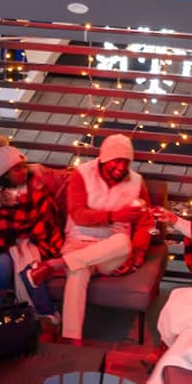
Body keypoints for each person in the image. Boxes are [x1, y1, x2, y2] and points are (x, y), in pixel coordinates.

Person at [27, 133, 154, 344]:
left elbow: (146, 223)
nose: (120, 168)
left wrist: (139, 252)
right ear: (103, 159)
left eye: (125, 162)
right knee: (78, 271)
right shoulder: (81, 175)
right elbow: (78, 214)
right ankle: (71, 339)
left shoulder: (137, 182)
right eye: (116, 162)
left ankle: (56, 264)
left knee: (123, 242)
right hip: (79, 242)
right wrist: (113, 216)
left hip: (112, 251)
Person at [0, 136, 66, 306]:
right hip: (9, 244)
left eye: (24, 167)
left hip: (35, 242)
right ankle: (1, 313)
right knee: (3, 266)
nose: (23, 171)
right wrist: (0, 206)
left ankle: (43, 315)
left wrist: (26, 229)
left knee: (29, 268)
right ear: (5, 174)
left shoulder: (36, 185)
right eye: (17, 169)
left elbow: (46, 217)